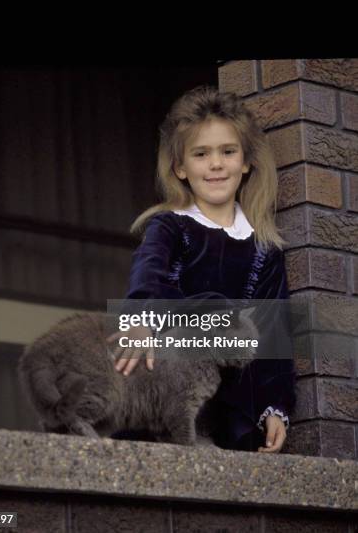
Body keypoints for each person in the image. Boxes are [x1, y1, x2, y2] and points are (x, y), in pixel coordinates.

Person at [107, 85, 296, 453]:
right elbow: (149, 275)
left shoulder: (265, 248)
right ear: (180, 167)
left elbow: (274, 333)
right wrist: (142, 319)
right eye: (200, 153)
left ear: (245, 161)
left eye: (227, 151)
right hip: (171, 382)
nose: (215, 164)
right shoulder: (169, 227)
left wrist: (275, 407)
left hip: (230, 405)